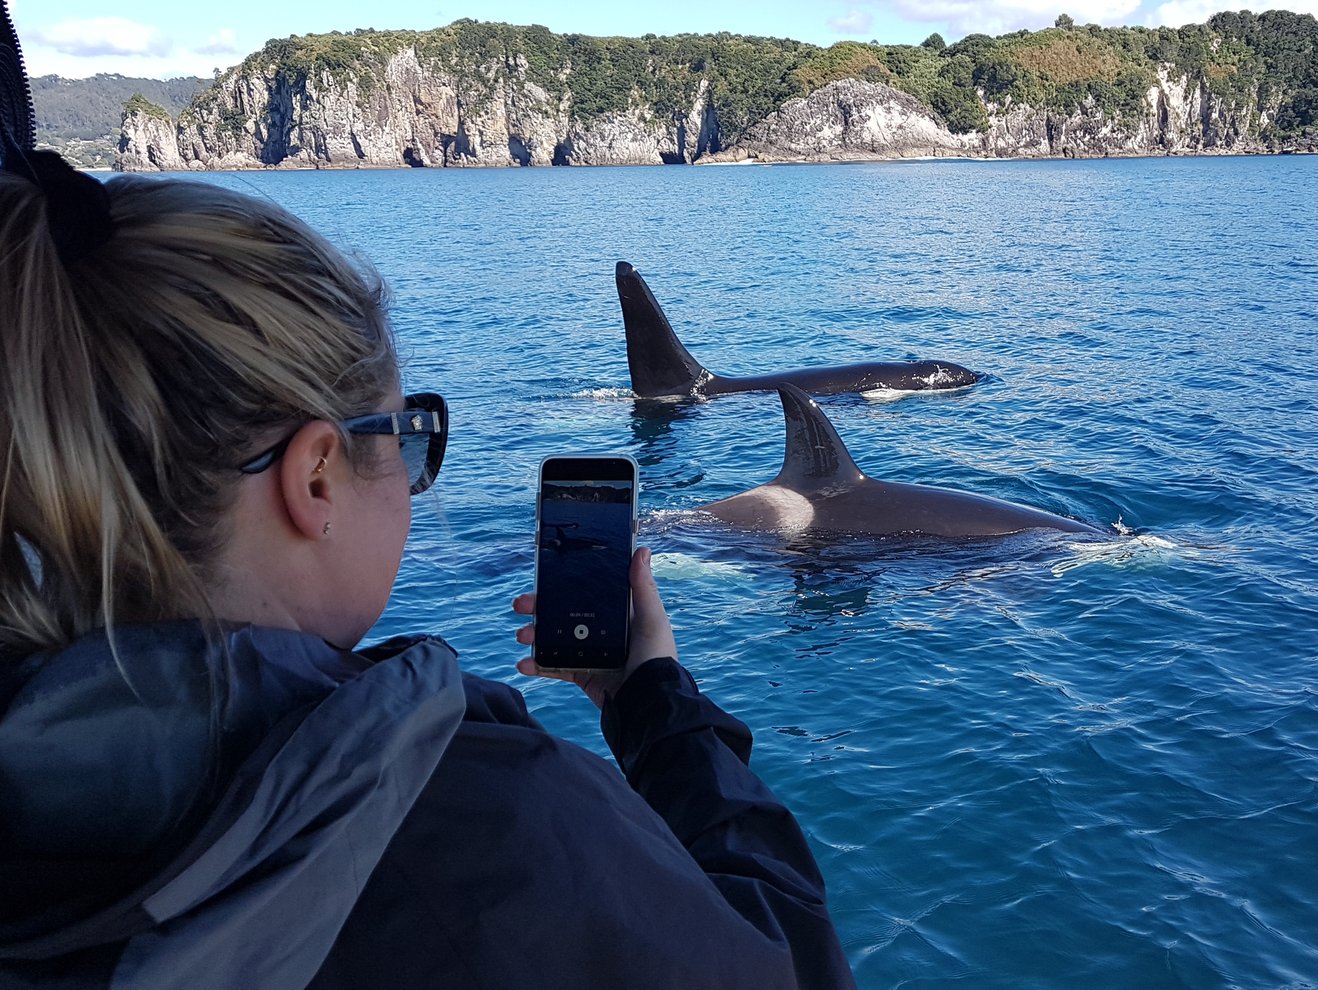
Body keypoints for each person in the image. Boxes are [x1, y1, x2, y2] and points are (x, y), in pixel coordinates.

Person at [0, 16, 855, 990]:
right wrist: (658, 709)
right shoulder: (500, 834)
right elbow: (789, 971)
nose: (415, 473)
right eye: (407, 439)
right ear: (315, 478)